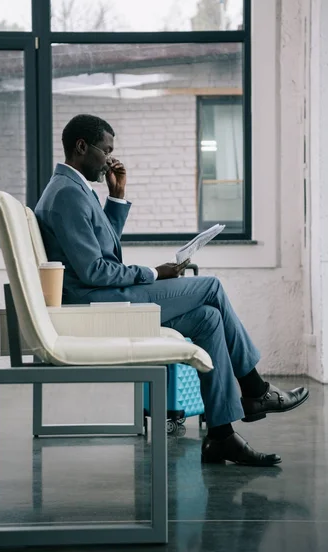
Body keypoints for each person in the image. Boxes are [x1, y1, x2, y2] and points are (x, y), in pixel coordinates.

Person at [35, 114, 309, 466]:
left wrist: (116, 199)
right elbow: (94, 271)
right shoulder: (68, 194)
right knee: (210, 286)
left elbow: (103, 251)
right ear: (81, 147)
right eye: (106, 150)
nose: (109, 160)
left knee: (208, 319)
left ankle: (221, 436)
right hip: (97, 303)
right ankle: (255, 389)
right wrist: (154, 272)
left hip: (100, 295)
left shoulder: (71, 189)